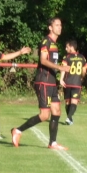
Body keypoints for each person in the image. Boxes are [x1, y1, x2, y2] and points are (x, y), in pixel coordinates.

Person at [11, 17, 70, 149]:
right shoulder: (46, 42)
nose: (60, 27)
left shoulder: (55, 44)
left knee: (57, 111)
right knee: (44, 115)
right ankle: (18, 130)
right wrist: (60, 67)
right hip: (43, 81)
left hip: (51, 82)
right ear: (50, 27)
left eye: (60, 25)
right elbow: (43, 60)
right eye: (57, 25)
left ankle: (52, 143)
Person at [61, 40, 87, 125]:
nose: (66, 49)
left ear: (71, 47)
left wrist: (61, 79)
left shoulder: (67, 57)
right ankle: (69, 118)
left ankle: (69, 118)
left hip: (67, 82)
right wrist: (81, 77)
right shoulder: (82, 57)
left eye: (67, 47)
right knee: (74, 102)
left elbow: (64, 68)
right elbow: (84, 70)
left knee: (68, 102)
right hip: (77, 83)